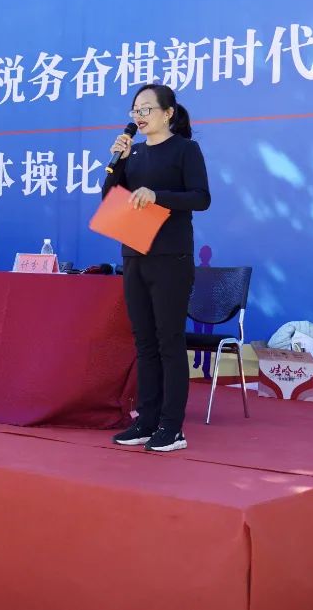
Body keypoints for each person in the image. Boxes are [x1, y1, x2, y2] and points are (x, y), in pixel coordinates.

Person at [104, 83, 210, 453]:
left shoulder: (185, 149)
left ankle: (172, 427)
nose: (139, 115)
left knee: (169, 341)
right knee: (144, 342)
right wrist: (118, 161)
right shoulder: (133, 154)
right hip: (134, 256)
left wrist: (157, 196)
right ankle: (146, 421)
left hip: (170, 258)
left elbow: (201, 198)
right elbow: (110, 197)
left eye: (146, 108)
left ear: (168, 113)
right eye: (135, 109)